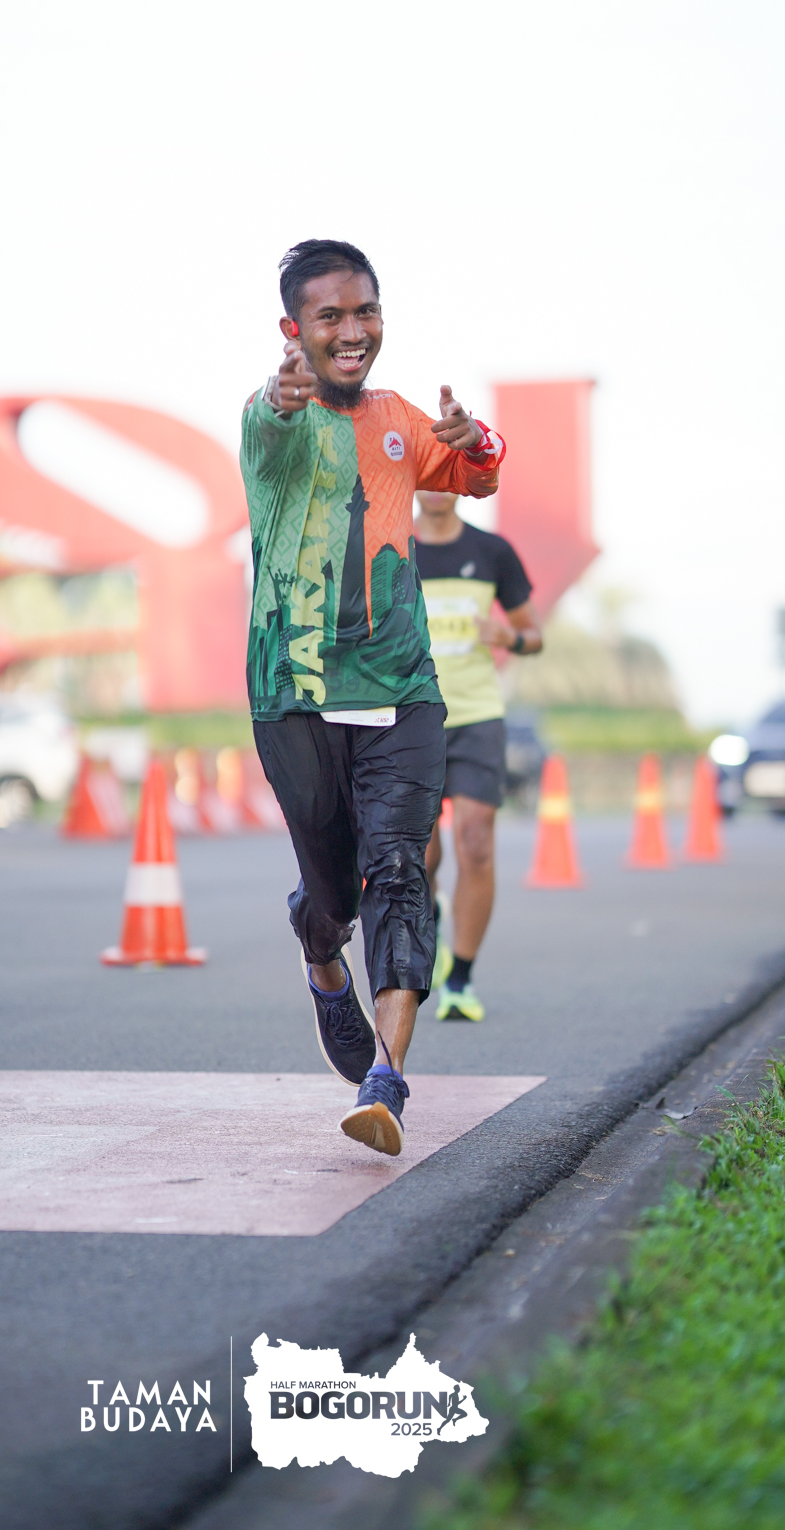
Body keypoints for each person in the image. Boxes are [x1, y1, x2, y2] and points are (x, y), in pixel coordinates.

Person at [240, 239, 502, 1156]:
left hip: (403, 687)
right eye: (331, 317)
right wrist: (280, 397)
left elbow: (479, 475)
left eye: (366, 312)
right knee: (333, 894)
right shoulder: (271, 421)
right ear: (293, 330)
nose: (352, 332)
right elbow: (270, 420)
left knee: (399, 870)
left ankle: (385, 1080)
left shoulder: (397, 418)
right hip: (296, 695)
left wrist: (474, 440)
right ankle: (320, 956)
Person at [414, 493, 542, 1022]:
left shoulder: (492, 551)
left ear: (460, 483)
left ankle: (460, 980)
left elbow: (534, 635)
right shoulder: (390, 547)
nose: (437, 487)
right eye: (428, 474)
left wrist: (510, 636)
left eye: (448, 474)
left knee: (476, 843)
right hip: (412, 716)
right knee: (420, 857)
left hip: (477, 716)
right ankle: (430, 925)